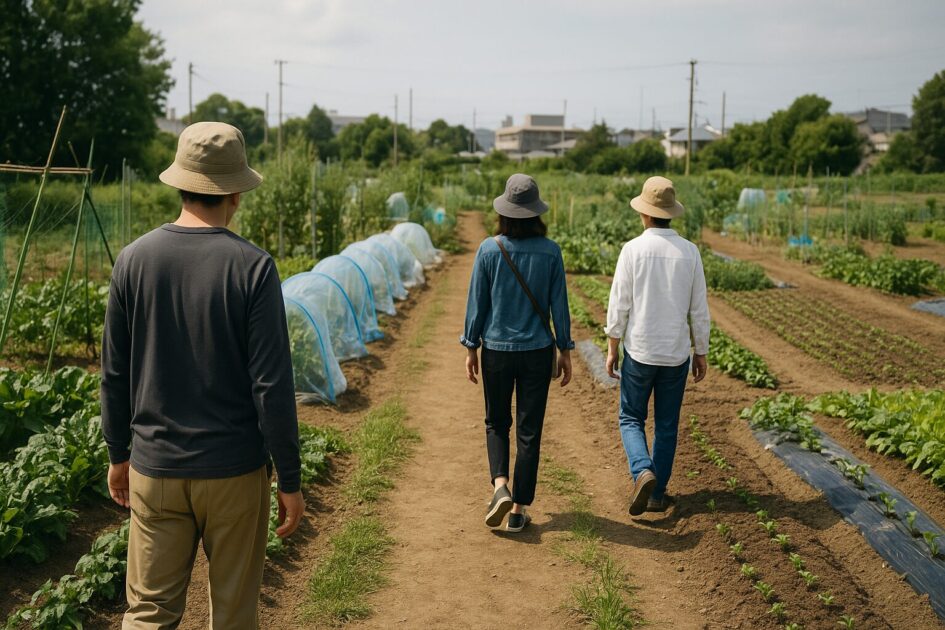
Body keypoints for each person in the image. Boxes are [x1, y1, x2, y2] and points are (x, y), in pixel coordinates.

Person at [101, 122, 304, 629]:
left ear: (180, 182)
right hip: (234, 471)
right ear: (235, 192)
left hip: (156, 468)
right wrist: (290, 478)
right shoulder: (253, 267)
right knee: (234, 615)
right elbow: (271, 386)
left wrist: (118, 455)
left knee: (149, 612)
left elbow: (114, 372)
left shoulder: (133, 261)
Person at [461, 173, 574, 533]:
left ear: (505, 212)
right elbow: (560, 306)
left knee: (496, 421)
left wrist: (470, 346)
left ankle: (500, 487)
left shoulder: (489, 249)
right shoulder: (551, 252)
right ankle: (518, 510)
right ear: (536, 212)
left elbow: (477, 303)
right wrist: (565, 349)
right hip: (538, 352)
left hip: (496, 350)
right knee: (529, 430)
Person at [604, 175, 710, 516]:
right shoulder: (690, 251)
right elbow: (699, 308)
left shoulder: (633, 249)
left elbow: (619, 303)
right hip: (675, 353)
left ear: (645, 214)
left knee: (631, 417)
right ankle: (656, 494)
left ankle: (642, 471)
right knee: (666, 424)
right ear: (670, 213)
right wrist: (701, 351)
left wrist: (611, 347)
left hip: (640, 351)